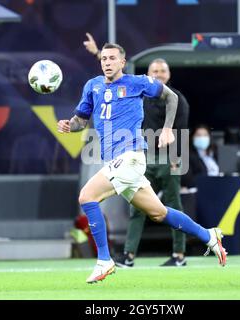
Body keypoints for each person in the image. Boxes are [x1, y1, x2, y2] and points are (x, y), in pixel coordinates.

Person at [57, 43, 227, 284]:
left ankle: (105, 260)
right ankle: (209, 236)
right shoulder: (92, 86)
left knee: (86, 196)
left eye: (112, 58)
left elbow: (171, 96)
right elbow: (80, 121)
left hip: (131, 157)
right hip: (116, 161)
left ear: (122, 62)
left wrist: (167, 130)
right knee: (159, 213)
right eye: (103, 58)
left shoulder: (137, 82)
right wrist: (68, 126)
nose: (106, 62)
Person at [85, 33, 190, 268]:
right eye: (154, 72)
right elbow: (116, 76)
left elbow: (180, 129)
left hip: (168, 157)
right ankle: (129, 255)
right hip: (141, 155)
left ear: (168, 74)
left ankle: (179, 254)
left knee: (172, 204)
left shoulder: (176, 99)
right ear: (150, 74)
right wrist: (96, 53)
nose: (158, 75)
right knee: (138, 209)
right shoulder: (141, 92)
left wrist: (177, 157)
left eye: (162, 71)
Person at [182, 125, 219, 189]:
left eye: (205, 135)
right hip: (199, 190)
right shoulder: (187, 156)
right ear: (192, 137)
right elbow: (187, 179)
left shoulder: (215, 153)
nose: (202, 138)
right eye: (198, 135)